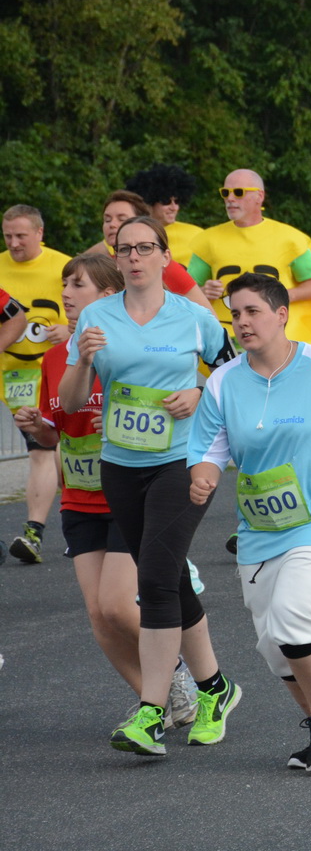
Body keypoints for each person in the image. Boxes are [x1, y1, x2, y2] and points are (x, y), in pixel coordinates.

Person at [188, 274, 311, 770]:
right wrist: (204, 477)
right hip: (260, 530)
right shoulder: (223, 381)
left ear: (281, 314)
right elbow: (209, 448)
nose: (242, 322)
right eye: (235, 314)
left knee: (295, 616)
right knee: (275, 645)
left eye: (253, 311)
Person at [62, 215, 241, 755]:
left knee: (156, 579)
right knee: (165, 573)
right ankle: (216, 688)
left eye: (146, 248)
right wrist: (85, 359)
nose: (135, 256)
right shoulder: (95, 317)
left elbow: (235, 378)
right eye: (125, 249)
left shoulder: (194, 318)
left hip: (181, 460)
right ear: (116, 260)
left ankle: (152, 712)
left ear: (165, 257)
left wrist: (199, 391)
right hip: (119, 463)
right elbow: (71, 401)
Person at [15, 254, 197, 723]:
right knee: (99, 617)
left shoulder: (133, 345)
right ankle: (157, 703)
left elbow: (165, 397)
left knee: (119, 605)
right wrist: (38, 426)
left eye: (78, 285)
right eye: (65, 284)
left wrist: (117, 422)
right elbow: (56, 433)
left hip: (127, 487)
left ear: (107, 295)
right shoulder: (56, 356)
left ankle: (173, 675)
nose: (67, 293)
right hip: (78, 494)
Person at [188, 169, 311, 350]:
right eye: (225, 193)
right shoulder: (207, 240)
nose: (230, 198)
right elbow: (187, 289)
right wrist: (203, 291)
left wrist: (281, 295)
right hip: (226, 340)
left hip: (275, 339)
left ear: (260, 196)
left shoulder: (291, 238)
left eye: (239, 192)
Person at [0, 204, 71, 563]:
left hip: (56, 373)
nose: (14, 243)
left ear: (40, 233)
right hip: (11, 375)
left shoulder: (64, 267)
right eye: (8, 236)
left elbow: (101, 312)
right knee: (51, 450)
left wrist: (69, 330)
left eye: (21, 236)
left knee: (45, 450)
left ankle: (34, 532)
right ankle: (78, 520)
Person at [126, 164, 202, 267]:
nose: (173, 207)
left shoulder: (197, 234)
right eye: (166, 201)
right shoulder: (130, 233)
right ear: (149, 202)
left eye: (177, 201)